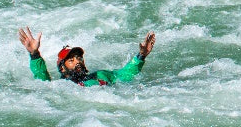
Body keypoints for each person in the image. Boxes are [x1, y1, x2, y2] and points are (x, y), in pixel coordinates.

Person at [19, 27, 156, 86]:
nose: (77, 61)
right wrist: (34, 54)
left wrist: (141, 56)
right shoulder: (60, 87)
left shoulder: (101, 76)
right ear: (62, 69)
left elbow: (125, 74)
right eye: (71, 60)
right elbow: (41, 77)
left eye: (79, 58)